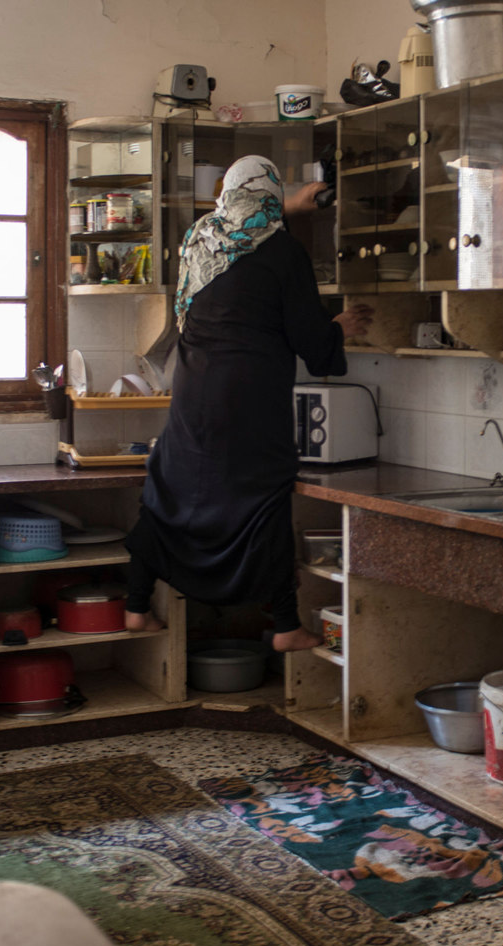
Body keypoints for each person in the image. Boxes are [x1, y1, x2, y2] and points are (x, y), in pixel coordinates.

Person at [123, 155, 372, 652]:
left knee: (166, 495)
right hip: (249, 402)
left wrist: (291, 203)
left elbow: (248, 231)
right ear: (271, 197)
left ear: (226, 194)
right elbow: (311, 341)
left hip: (192, 395)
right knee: (264, 502)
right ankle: (286, 625)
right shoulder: (284, 252)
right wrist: (337, 329)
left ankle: (135, 607)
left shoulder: (200, 238)